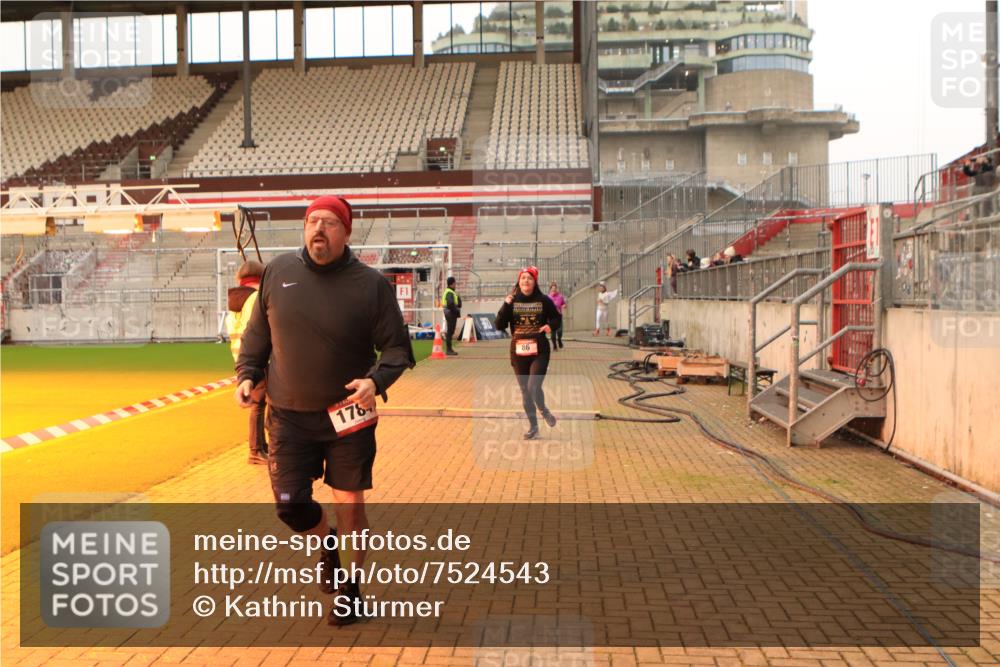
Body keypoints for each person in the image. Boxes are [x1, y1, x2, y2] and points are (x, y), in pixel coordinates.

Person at [234, 194, 415, 626]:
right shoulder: (279, 272)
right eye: (313, 220)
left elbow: (397, 349)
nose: (319, 228)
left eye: (330, 222)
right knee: (289, 504)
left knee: (350, 504)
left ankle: (351, 590)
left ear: (346, 232)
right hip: (289, 416)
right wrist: (246, 373)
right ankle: (326, 541)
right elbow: (257, 337)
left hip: (347, 416)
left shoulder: (370, 285)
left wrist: (375, 381)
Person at [495, 266, 562, 440]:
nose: (526, 281)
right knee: (525, 390)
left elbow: (556, 318)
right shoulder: (512, 301)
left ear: (535, 282)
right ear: (519, 281)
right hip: (518, 351)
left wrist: (550, 326)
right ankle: (534, 427)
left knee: (533, 386)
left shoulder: (544, 300)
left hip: (539, 349)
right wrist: (505, 304)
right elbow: (499, 325)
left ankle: (544, 410)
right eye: (523, 278)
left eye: (529, 278)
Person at [226, 259, 268, 465]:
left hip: (242, 360)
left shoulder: (234, 302)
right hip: (257, 359)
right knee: (259, 405)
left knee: (259, 404)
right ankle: (256, 450)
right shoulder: (256, 299)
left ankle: (261, 446)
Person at [441, 276, 461, 356]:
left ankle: (449, 349)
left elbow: (457, 304)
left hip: (450, 312)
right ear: (452, 284)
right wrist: (456, 310)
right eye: (455, 283)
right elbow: (450, 304)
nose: (456, 284)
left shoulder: (450, 292)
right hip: (451, 313)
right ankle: (448, 350)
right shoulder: (449, 292)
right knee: (450, 331)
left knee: (451, 331)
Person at [547, 282, 566, 350]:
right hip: (551, 317)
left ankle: (559, 340)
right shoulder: (548, 297)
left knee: (559, 331)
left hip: (558, 316)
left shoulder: (560, 297)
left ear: (556, 289)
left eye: (555, 289)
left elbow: (564, 304)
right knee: (553, 333)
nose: (554, 291)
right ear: (550, 290)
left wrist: (564, 306)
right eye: (552, 289)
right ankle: (554, 345)